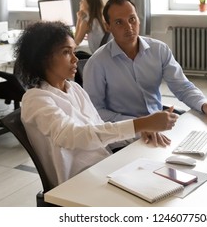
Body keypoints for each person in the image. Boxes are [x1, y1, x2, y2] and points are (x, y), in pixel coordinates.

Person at [13, 21, 178, 186]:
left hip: (104, 168)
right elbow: (73, 136)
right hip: (78, 183)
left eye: (74, 51)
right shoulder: (36, 99)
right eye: (66, 52)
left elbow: (99, 130)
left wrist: (140, 130)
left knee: (168, 176)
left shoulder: (74, 89)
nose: (75, 59)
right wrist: (140, 123)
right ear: (42, 58)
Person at [83, 0, 207, 129]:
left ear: (138, 19)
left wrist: (203, 104)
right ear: (108, 26)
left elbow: (182, 87)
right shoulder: (97, 63)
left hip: (160, 124)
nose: (129, 27)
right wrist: (140, 124)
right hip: (125, 133)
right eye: (119, 22)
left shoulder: (159, 50)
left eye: (132, 19)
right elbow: (95, 111)